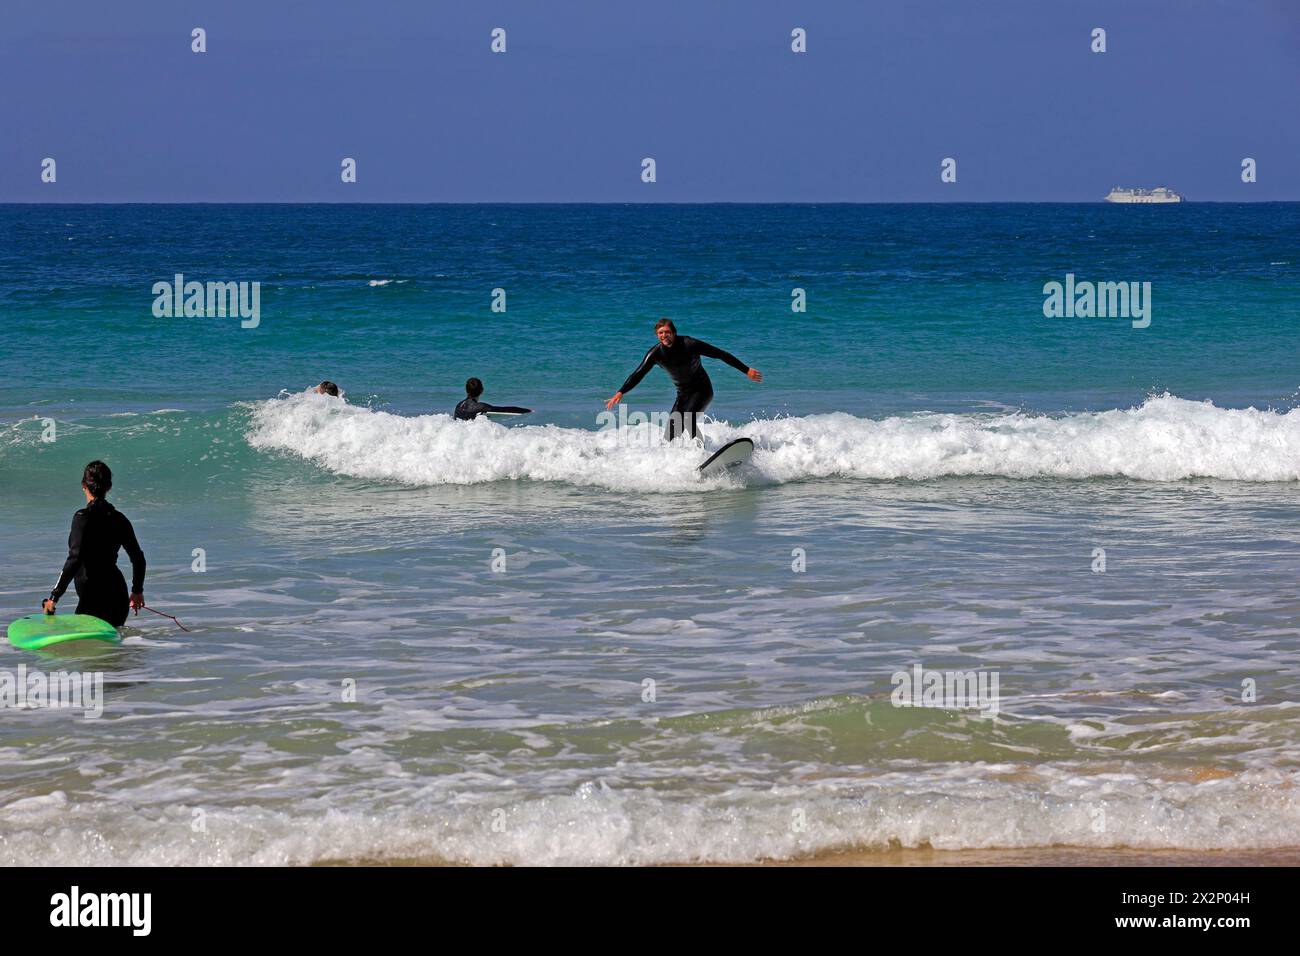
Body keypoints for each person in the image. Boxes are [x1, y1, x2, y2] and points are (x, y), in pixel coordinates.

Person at [605, 318, 762, 441]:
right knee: (671, 434)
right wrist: (621, 392)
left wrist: (746, 370)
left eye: (666, 332)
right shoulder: (656, 354)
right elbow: (638, 373)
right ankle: (677, 461)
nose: (664, 335)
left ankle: (701, 451)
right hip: (683, 394)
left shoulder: (689, 344)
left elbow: (721, 354)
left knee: (688, 419)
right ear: (657, 336)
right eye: (660, 333)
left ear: (673, 332)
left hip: (702, 390)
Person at [41, 461, 146, 627]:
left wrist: (54, 597)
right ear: (109, 487)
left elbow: (75, 559)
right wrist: (137, 591)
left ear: (84, 485)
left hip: (92, 598)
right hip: (116, 596)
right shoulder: (119, 519)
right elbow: (138, 558)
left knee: (84, 649)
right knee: (111, 651)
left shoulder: (82, 518)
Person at [454, 378, 532, 420]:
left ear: (466, 390)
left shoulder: (459, 405)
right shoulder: (480, 407)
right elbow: (504, 410)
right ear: (482, 390)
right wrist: (526, 410)